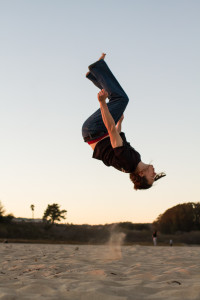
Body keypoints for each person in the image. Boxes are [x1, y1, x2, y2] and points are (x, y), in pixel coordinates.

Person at [82, 54, 166, 190]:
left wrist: (102, 103)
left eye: (152, 176)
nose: (154, 173)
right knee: (117, 100)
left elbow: (111, 130)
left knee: (121, 99)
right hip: (97, 131)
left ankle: (97, 69)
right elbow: (117, 137)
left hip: (95, 129)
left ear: (141, 173)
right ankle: (94, 75)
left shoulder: (129, 162)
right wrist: (119, 122)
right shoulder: (133, 161)